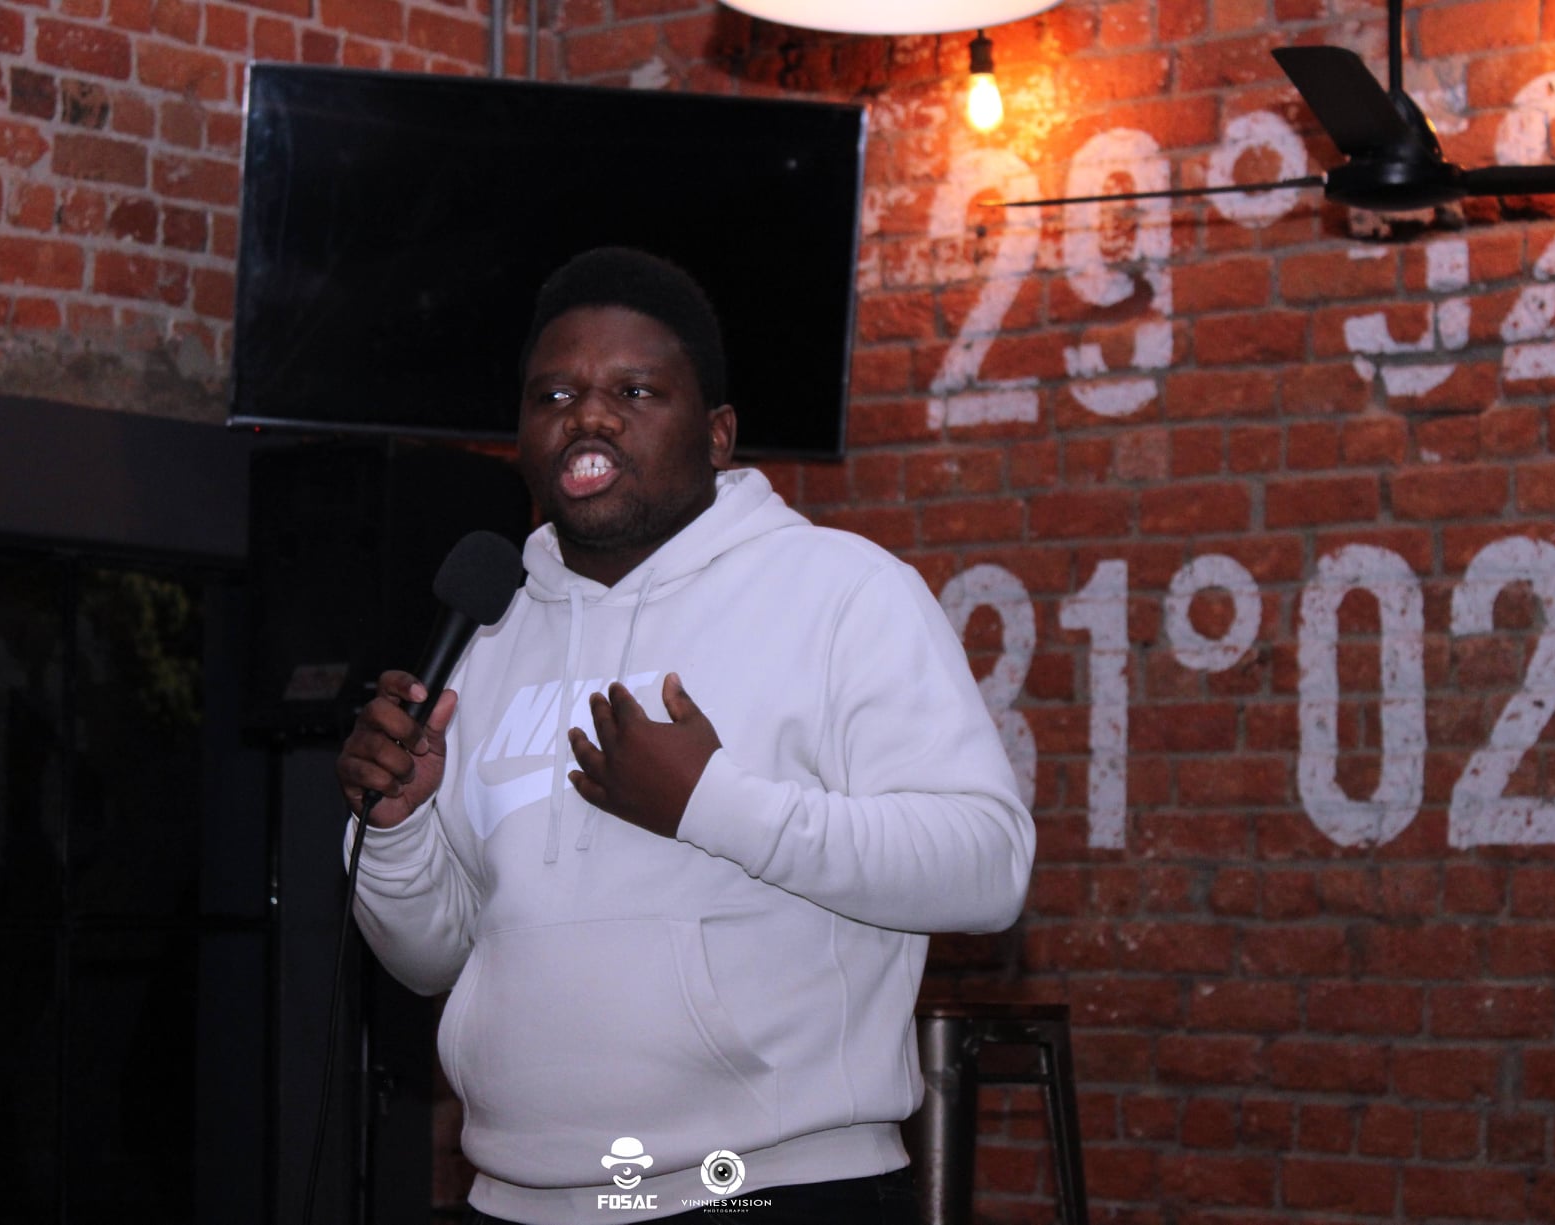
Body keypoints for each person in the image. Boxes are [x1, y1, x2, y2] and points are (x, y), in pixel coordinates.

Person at [335, 248, 1034, 1225]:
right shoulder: (486, 636)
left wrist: (711, 802)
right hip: (516, 1200)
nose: (587, 417)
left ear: (716, 432)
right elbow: (432, 958)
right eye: (554, 395)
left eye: (634, 391)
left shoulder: (842, 591)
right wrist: (399, 832)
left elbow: (986, 867)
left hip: (768, 1190)